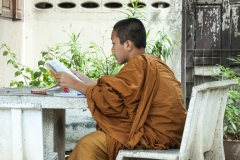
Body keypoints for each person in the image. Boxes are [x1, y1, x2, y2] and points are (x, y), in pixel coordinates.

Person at [56, 18, 187, 160]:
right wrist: (86, 81)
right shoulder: (155, 63)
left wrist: (75, 84)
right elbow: (122, 93)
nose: (112, 49)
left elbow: (112, 103)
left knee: (88, 144)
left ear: (128, 44)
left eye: (114, 43)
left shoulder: (138, 65)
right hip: (173, 133)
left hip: (154, 136)